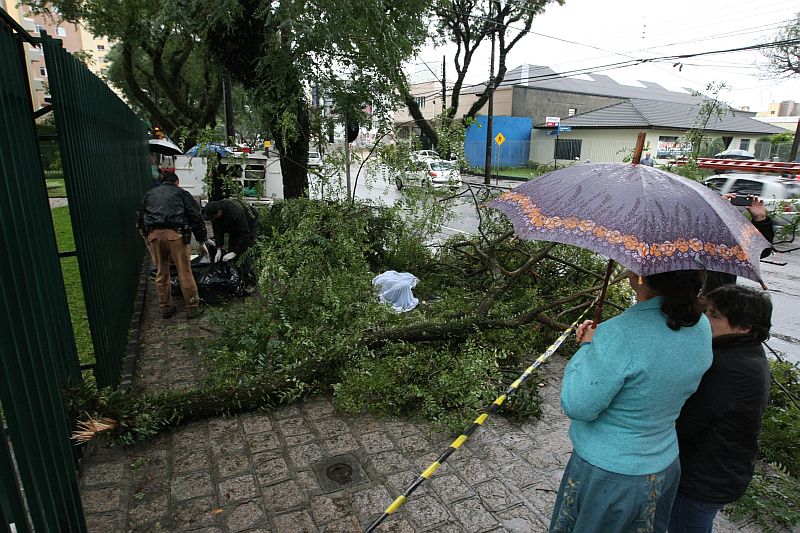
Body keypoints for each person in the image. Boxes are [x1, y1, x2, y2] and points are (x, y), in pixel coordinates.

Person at [550, 270, 713, 533]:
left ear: (641, 277)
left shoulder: (620, 333)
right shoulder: (700, 325)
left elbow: (578, 405)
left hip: (611, 474)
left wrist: (588, 348)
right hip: (664, 465)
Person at [668, 285, 772, 533]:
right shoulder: (745, 351)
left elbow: (687, 422)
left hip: (702, 476)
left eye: (714, 315)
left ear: (744, 327)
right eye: (707, 311)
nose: (705, 319)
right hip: (720, 470)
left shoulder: (731, 368)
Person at [138, 172, 212, 319]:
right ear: (177, 182)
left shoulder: (149, 194)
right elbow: (195, 216)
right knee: (184, 272)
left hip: (154, 235)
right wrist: (202, 239)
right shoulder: (181, 193)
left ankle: (166, 308)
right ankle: (192, 308)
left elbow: (141, 217)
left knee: (161, 272)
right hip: (175, 235)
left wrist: (147, 237)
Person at [703, 195, 774, 293]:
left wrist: (760, 220)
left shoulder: (722, 243)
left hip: (719, 297)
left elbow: (759, 251)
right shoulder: (688, 239)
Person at [203, 199, 259, 291]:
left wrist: (235, 252)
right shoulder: (216, 215)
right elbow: (217, 231)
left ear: (219, 212)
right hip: (235, 226)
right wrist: (219, 248)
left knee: (246, 251)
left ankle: (250, 281)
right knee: (231, 249)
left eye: (213, 217)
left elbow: (244, 234)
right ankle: (238, 278)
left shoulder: (235, 213)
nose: (212, 219)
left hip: (249, 222)